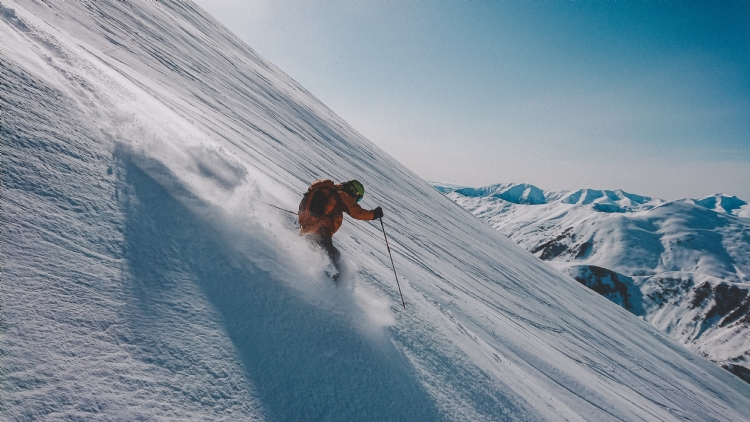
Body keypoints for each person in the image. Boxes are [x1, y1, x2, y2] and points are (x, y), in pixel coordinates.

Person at [298, 179, 383, 275]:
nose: (356, 201)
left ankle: (310, 273)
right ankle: (327, 285)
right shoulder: (341, 194)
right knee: (331, 263)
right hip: (320, 231)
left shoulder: (330, 191)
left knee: (335, 255)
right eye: (358, 198)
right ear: (353, 191)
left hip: (307, 230)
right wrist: (374, 215)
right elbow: (356, 212)